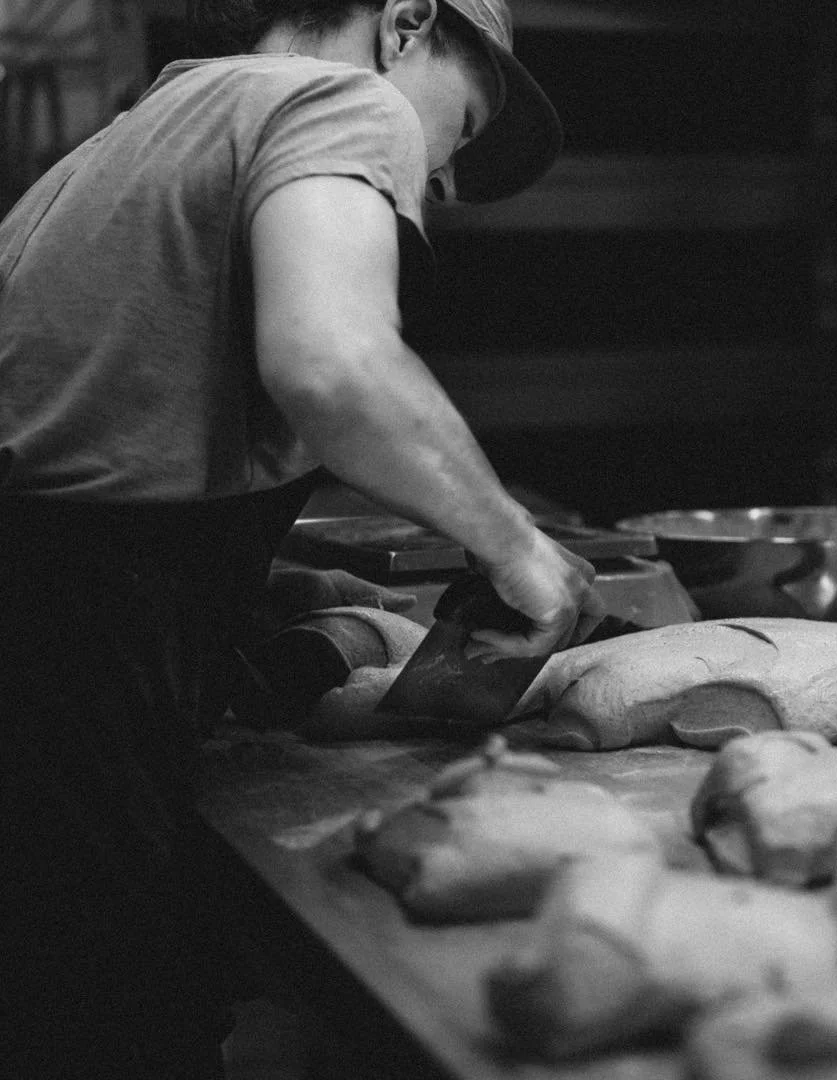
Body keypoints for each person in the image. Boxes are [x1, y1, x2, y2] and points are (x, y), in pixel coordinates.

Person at [0, 0, 599, 1074]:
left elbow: (74, 447)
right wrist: (518, 547)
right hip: (69, 684)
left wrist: (245, 584)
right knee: (117, 1037)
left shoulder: (128, 137)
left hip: (45, 657)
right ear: (407, 24)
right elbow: (333, 365)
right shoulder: (340, 99)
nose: (436, 187)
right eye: (457, 133)